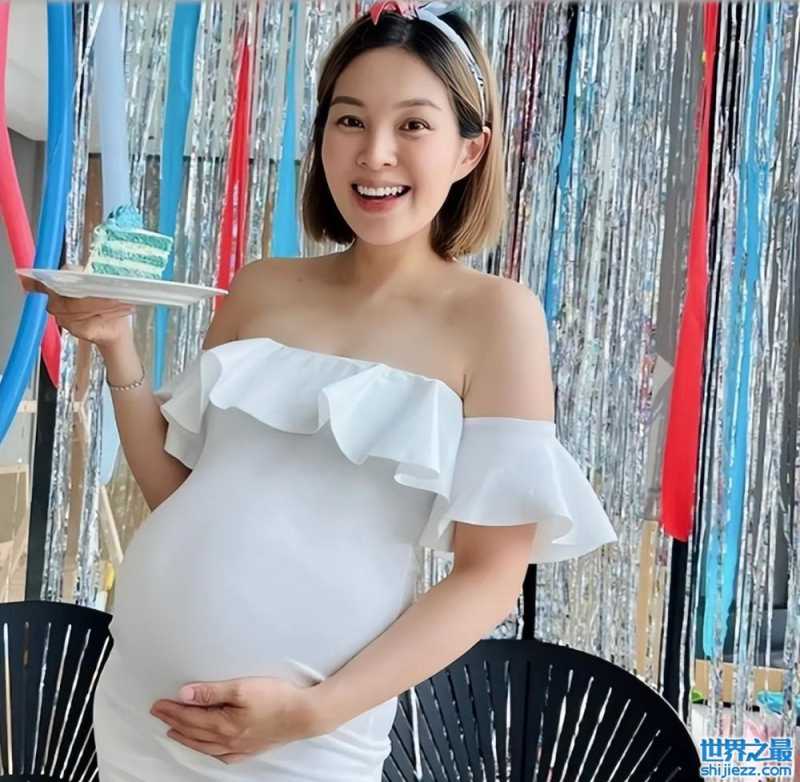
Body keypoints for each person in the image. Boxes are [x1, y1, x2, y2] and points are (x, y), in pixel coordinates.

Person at [22, 2, 617, 779]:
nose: (375, 154)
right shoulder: (261, 287)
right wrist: (115, 345)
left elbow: (490, 576)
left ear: (470, 150)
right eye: (349, 120)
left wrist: (313, 712)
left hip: (305, 738)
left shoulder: (498, 318)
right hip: (141, 708)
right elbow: (182, 489)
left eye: (413, 125)